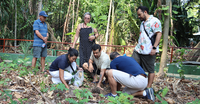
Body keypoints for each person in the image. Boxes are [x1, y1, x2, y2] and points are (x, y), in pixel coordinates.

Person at [131, 6, 162, 88]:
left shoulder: (155, 21)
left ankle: (148, 87)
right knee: (133, 65)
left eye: (139, 14)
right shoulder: (142, 23)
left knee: (150, 69)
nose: (139, 16)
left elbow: (159, 33)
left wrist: (154, 48)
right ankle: (136, 84)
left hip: (149, 50)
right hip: (138, 49)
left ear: (145, 12)